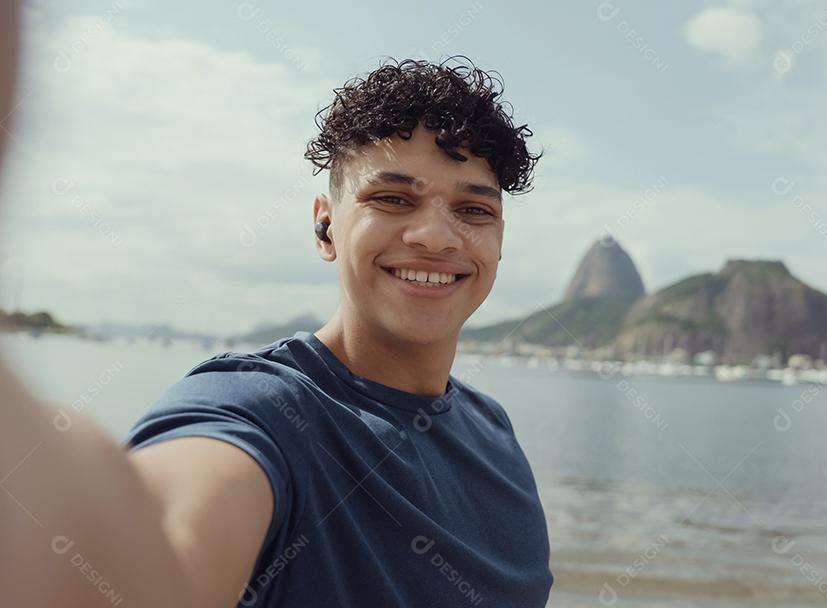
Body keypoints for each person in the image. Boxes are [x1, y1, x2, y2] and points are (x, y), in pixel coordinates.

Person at [0, 16, 553, 603]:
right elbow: (169, 554)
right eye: (392, 198)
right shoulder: (259, 412)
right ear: (325, 226)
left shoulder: (493, 431)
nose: (437, 237)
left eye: (474, 210)